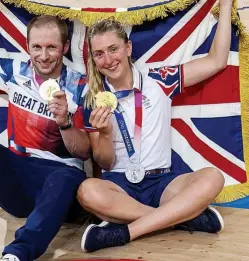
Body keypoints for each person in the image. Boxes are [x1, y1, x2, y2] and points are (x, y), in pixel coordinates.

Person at [77, 0, 232, 253]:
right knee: (87, 191)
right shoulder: (92, 98)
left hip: (162, 183)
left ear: (128, 48)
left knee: (213, 177)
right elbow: (104, 163)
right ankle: (181, 218)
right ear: (93, 58)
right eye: (99, 54)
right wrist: (105, 133)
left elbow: (216, 61)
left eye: (113, 49)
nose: (108, 59)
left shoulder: (159, 79)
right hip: (119, 186)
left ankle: (125, 232)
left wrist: (225, 5)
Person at [0, 1, 91, 260]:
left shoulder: (80, 87)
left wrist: (65, 121)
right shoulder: (15, 72)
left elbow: (85, 153)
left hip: (61, 184)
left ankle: (16, 255)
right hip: (18, 178)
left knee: (66, 176)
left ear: (64, 47)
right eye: (37, 47)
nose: (43, 55)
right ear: (28, 47)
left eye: (51, 47)